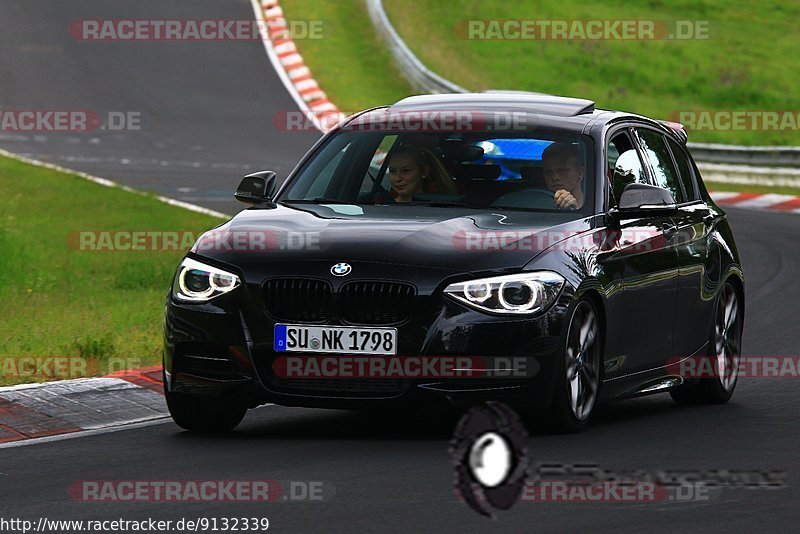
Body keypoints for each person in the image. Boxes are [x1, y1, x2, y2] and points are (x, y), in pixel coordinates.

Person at [386, 145, 456, 202]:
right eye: (392, 171)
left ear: (424, 171)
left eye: (406, 170)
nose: (397, 178)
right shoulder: (379, 204)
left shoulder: (443, 205)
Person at [542, 142, 585, 210]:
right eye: (548, 172)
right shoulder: (538, 205)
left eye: (562, 171)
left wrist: (574, 210)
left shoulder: (595, 205)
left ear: (580, 173)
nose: (555, 178)